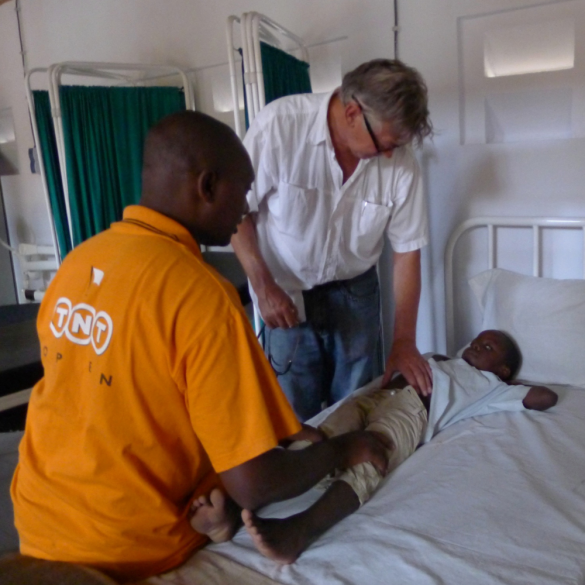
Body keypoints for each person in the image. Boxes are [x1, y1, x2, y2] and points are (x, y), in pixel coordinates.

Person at [10, 111, 392, 583]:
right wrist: (343, 450)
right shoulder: (197, 294)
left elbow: (117, 392)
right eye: (243, 189)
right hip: (122, 544)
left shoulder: (79, 263)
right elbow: (256, 483)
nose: (246, 206)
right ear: (207, 186)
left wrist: (287, 432)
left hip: (36, 518)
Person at [237, 330, 558, 563]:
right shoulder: (440, 358)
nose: (475, 346)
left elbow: (546, 397)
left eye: (487, 347)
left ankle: (301, 529)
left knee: (373, 455)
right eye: (476, 340)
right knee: (322, 435)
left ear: (502, 370)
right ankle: (240, 505)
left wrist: (509, 382)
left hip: (412, 411)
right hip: (373, 398)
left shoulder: (492, 387)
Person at [231, 59, 434, 422]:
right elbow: (236, 211)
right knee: (293, 417)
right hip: (285, 292)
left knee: (356, 412)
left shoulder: (401, 164)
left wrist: (404, 340)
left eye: (396, 146)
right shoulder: (279, 127)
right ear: (352, 112)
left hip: (357, 296)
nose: (389, 154)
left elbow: (407, 252)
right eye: (383, 144)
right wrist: (262, 286)